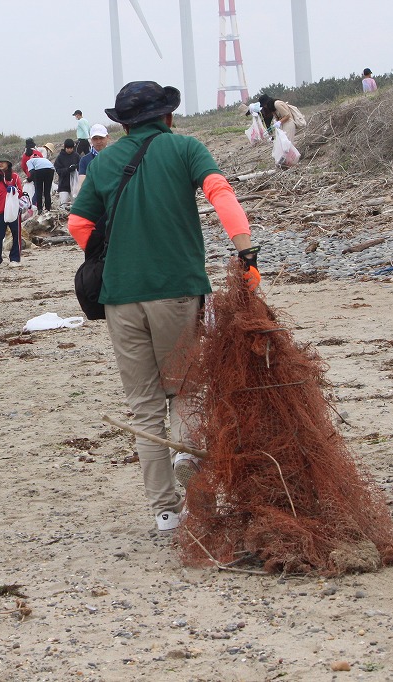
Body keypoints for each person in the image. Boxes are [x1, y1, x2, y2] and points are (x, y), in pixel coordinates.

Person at [67, 80, 258, 532]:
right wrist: (246, 253)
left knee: (144, 404)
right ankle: (191, 468)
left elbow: (78, 223)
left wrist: (115, 256)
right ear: (167, 115)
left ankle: (165, 511)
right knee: (187, 389)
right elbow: (220, 195)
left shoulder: (106, 159)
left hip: (119, 298)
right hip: (176, 290)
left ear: (124, 123)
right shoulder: (186, 149)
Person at [0, 160, 23, 267]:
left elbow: (20, 192)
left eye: (3, 162)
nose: (0, 164)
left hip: (13, 210)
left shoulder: (14, 177)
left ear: (8, 163)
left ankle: (15, 259)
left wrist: (14, 190)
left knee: (16, 234)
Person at [76, 123, 110, 193]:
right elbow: (82, 181)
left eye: (101, 138)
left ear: (107, 137)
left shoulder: (114, 155)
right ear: (91, 140)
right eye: (95, 139)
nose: (98, 141)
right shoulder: (85, 160)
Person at [54, 139, 81, 208]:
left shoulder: (76, 156)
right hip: (63, 184)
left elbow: (81, 166)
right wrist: (68, 170)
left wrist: (76, 167)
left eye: (71, 148)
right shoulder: (60, 157)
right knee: (63, 204)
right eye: (68, 148)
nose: (69, 150)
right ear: (65, 147)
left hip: (75, 185)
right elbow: (58, 170)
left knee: (76, 204)